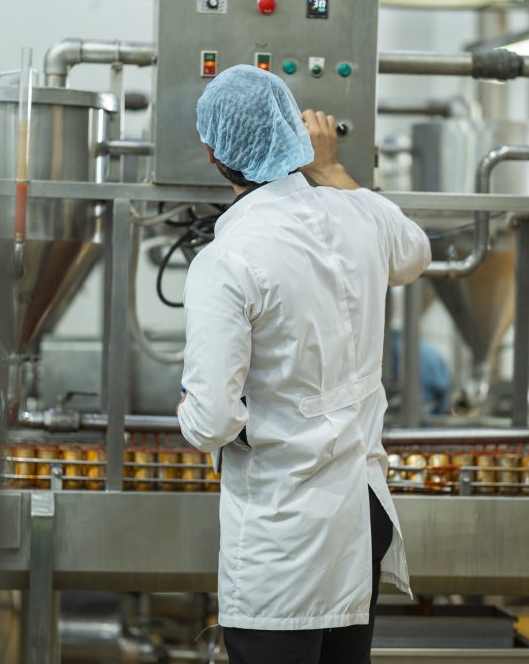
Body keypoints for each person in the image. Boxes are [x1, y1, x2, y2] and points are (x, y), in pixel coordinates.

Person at [176, 64, 431, 664]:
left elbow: (212, 422)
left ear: (212, 152)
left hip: (285, 535)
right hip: (359, 514)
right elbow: (415, 252)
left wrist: (188, 408)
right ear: (296, 132)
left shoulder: (226, 259)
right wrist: (331, 168)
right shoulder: (358, 214)